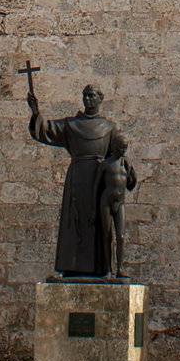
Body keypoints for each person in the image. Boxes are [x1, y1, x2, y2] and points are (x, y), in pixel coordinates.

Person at [28, 83, 119, 276]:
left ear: (100, 99)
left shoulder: (110, 128)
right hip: (77, 179)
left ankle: (102, 268)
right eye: (85, 96)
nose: (87, 99)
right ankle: (71, 266)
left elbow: (118, 155)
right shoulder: (71, 125)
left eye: (91, 96)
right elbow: (46, 130)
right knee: (74, 223)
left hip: (99, 180)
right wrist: (36, 112)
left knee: (99, 224)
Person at [97, 131, 137, 280]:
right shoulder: (105, 164)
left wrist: (132, 172)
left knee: (121, 236)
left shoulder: (125, 163)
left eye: (125, 148)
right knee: (107, 236)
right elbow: (96, 187)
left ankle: (120, 268)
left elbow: (131, 186)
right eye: (121, 148)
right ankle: (108, 269)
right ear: (114, 147)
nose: (123, 151)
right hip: (106, 202)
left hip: (120, 203)